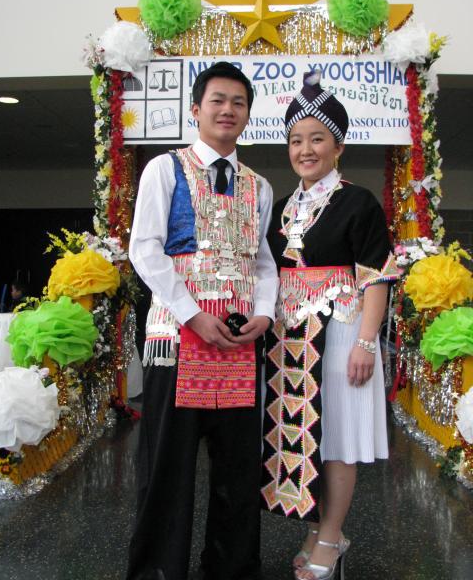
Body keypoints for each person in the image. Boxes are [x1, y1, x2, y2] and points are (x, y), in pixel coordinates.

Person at [126, 61, 278, 580]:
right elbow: (144, 249)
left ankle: (231, 570)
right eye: (218, 100)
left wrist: (263, 313)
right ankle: (157, 572)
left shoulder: (259, 186)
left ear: (248, 115)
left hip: (236, 340)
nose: (228, 110)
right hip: (178, 337)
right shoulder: (165, 169)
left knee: (237, 473)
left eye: (238, 103)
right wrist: (192, 315)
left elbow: (262, 262)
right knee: (167, 470)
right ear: (196, 109)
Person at [261, 72, 400, 580]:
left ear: (337, 145)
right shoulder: (279, 211)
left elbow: (377, 276)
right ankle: (322, 527)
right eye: (296, 140)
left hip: (342, 332)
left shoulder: (358, 202)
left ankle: (332, 535)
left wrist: (366, 342)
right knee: (305, 435)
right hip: (289, 335)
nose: (305, 149)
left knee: (338, 438)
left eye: (317, 138)